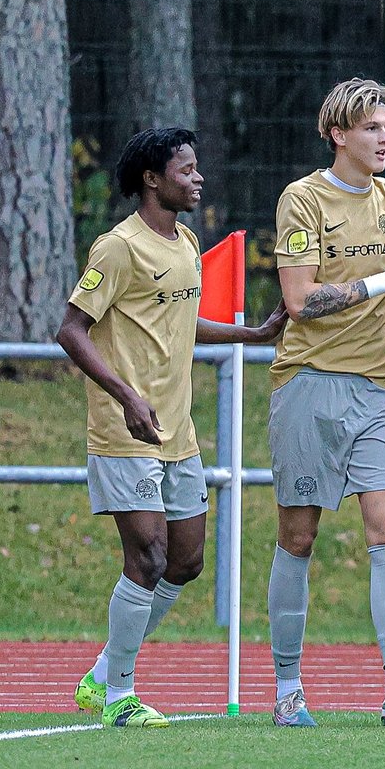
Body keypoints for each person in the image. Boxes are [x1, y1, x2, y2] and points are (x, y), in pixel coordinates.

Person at [60, 127, 288, 728]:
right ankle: (120, 696)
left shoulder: (186, 241)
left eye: (196, 167)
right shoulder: (118, 248)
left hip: (177, 432)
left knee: (185, 562)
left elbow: (183, 324)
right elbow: (71, 331)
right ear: (152, 180)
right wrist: (125, 397)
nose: (198, 178)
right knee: (149, 555)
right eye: (186, 170)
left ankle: (103, 671)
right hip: (124, 431)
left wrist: (251, 335)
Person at [267, 78, 385, 728]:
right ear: (338, 134)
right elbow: (299, 301)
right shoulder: (303, 199)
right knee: (298, 536)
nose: (384, 138)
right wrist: (383, 281)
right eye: (372, 127)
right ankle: (288, 688)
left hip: (377, 391)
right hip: (308, 382)